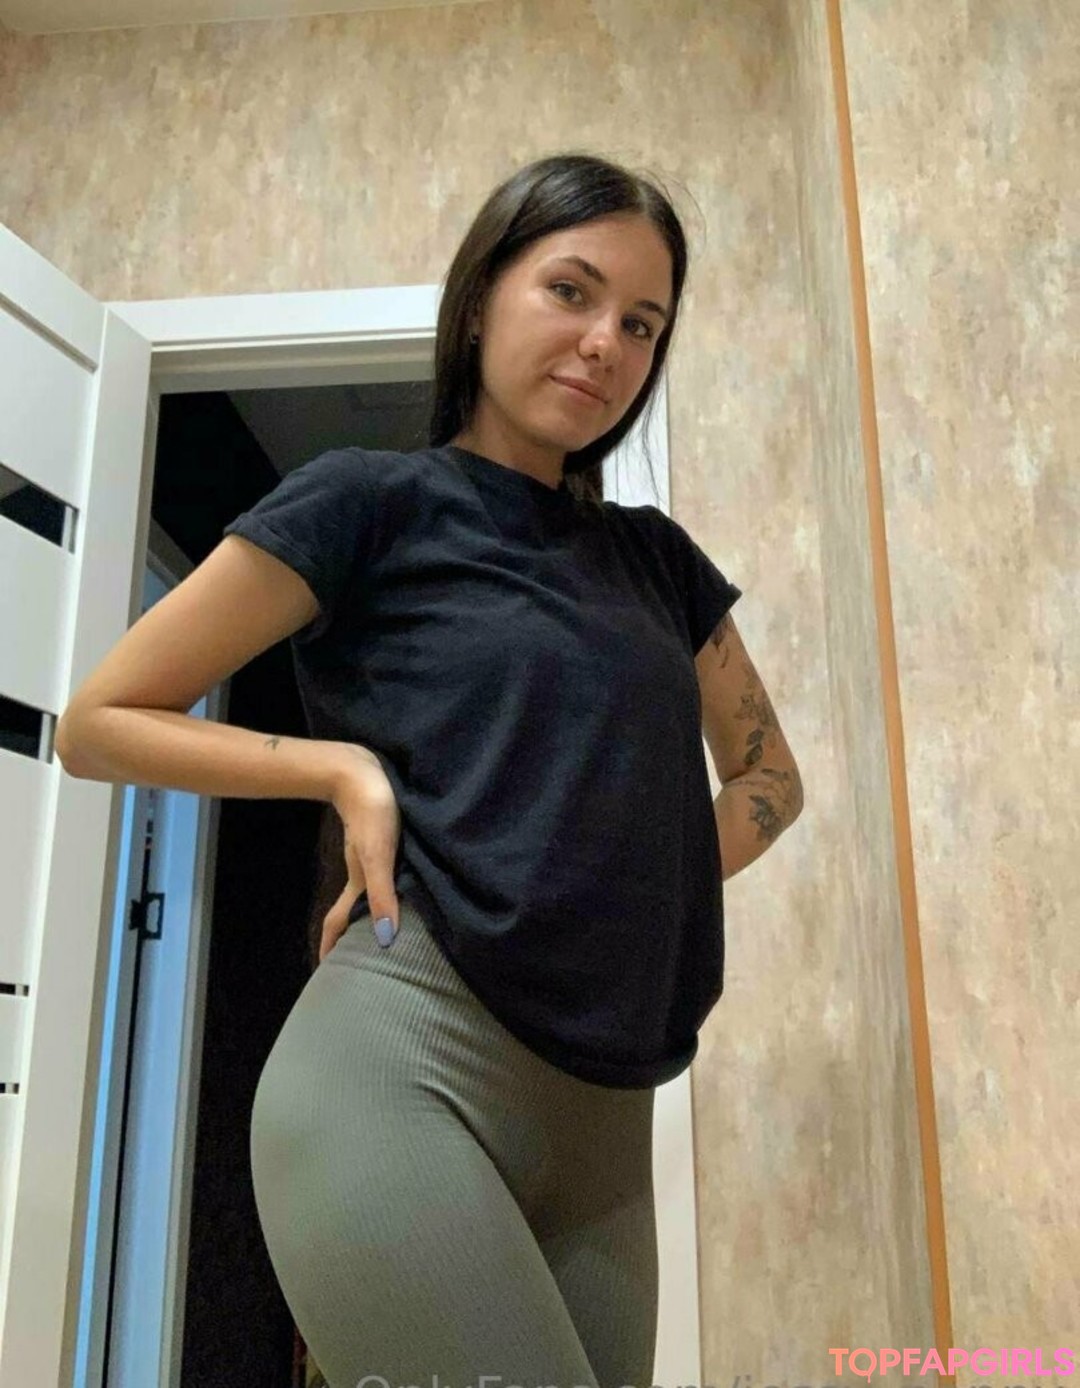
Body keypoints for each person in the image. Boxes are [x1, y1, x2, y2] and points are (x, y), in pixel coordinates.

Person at [56, 152, 803, 1388]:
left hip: (610, 1124)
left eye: (641, 322)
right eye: (571, 290)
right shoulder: (369, 502)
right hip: (404, 1058)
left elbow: (771, 782)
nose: (605, 342)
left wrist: (632, 875)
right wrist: (344, 771)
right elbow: (98, 721)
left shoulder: (660, 563)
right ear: (479, 300)